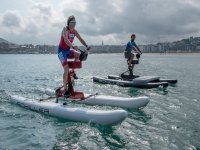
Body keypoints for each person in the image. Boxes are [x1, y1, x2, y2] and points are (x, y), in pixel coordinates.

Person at [58, 15, 90, 98]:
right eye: (72, 22)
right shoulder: (65, 29)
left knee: (78, 54)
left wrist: (86, 45)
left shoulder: (74, 31)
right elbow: (65, 39)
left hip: (68, 51)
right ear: (68, 23)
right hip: (61, 52)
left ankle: (73, 72)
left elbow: (80, 39)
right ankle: (65, 90)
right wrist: (72, 45)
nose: (74, 24)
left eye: (75, 23)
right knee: (66, 69)